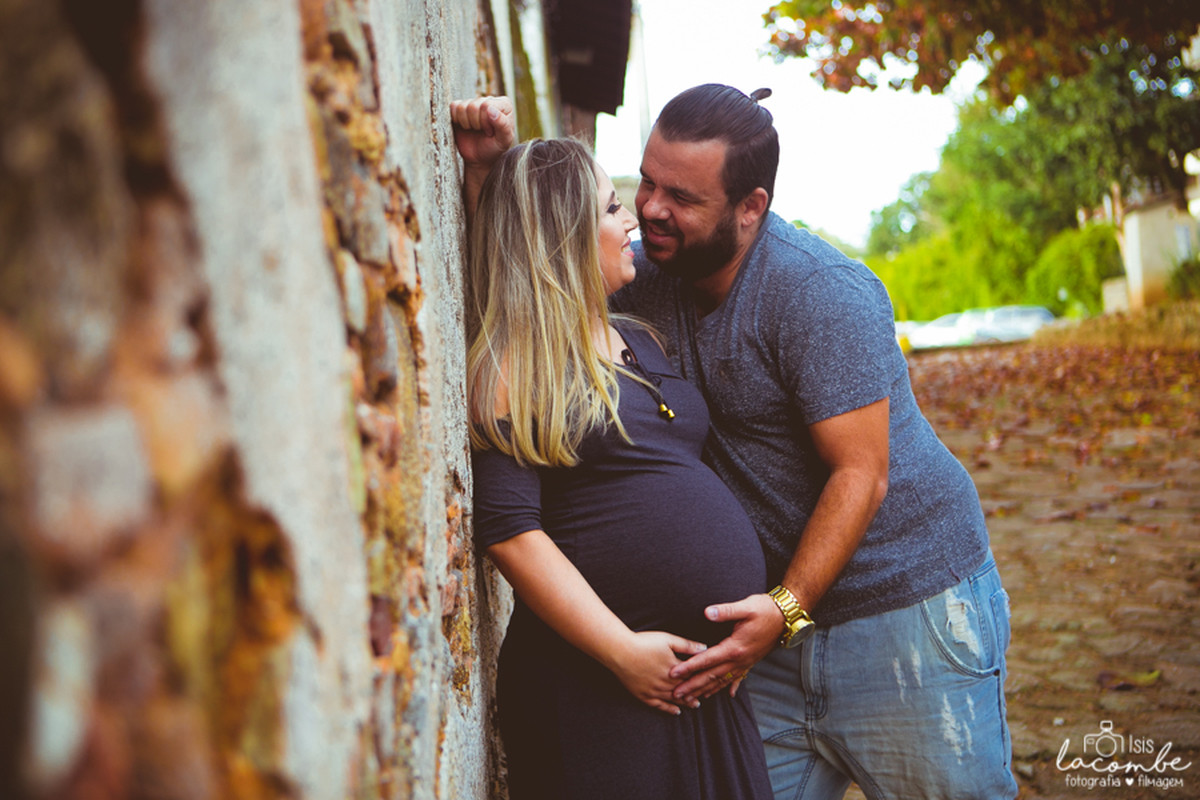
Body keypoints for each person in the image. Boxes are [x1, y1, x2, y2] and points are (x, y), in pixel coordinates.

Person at [452, 86, 1018, 800]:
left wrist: (786, 608)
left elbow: (861, 474)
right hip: (747, 646)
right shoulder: (642, 278)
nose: (651, 210)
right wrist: (488, 178)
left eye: (681, 198)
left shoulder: (819, 292)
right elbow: (533, 268)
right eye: (644, 183)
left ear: (749, 207)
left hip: (897, 611)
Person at [450, 97, 773, 800]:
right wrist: (622, 652)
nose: (633, 219)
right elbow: (509, 532)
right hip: (600, 682)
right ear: (562, 238)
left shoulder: (641, 335)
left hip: (700, 682)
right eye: (609, 208)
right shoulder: (516, 367)